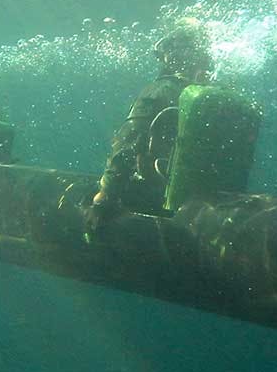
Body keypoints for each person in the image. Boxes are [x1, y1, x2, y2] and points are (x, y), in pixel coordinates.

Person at [86, 19, 213, 235]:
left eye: (164, 50)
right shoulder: (208, 95)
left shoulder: (162, 90)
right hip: (201, 207)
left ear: (173, 54)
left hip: (155, 202)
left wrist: (104, 196)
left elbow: (129, 141)